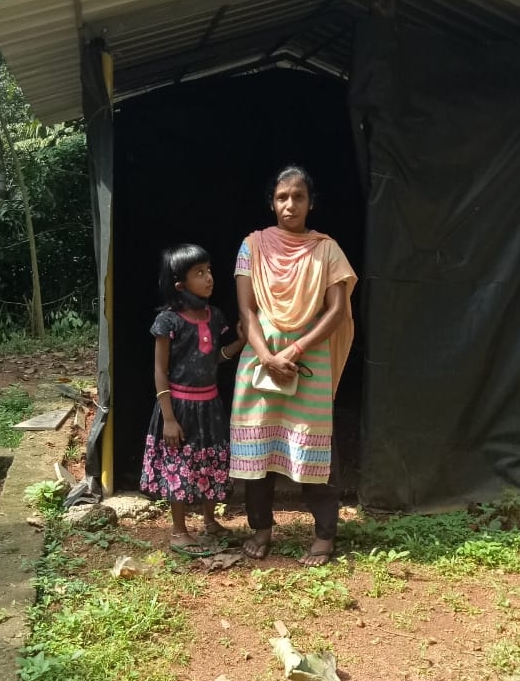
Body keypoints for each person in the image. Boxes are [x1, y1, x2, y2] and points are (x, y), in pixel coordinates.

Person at [229, 165, 357, 566]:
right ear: (272, 203)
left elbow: (337, 310)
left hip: (309, 361)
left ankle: (324, 535)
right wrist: (268, 356)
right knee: (257, 451)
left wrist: (296, 349)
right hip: (260, 359)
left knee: (314, 449)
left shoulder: (327, 249)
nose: (290, 204)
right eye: (282, 197)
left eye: (298, 197)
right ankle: (261, 529)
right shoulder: (252, 246)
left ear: (310, 203)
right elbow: (246, 310)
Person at [140, 243, 244, 553]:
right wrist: (169, 419)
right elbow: (160, 371)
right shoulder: (168, 321)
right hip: (179, 408)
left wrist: (241, 342)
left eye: (209, 270)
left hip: (210, 406)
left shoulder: (216, 316)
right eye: (199, 273)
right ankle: (178, 531)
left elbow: (215, 358)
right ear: (180, 285)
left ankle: (210, 521)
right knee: (180, 466)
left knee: (211, 462)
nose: (209, 277)